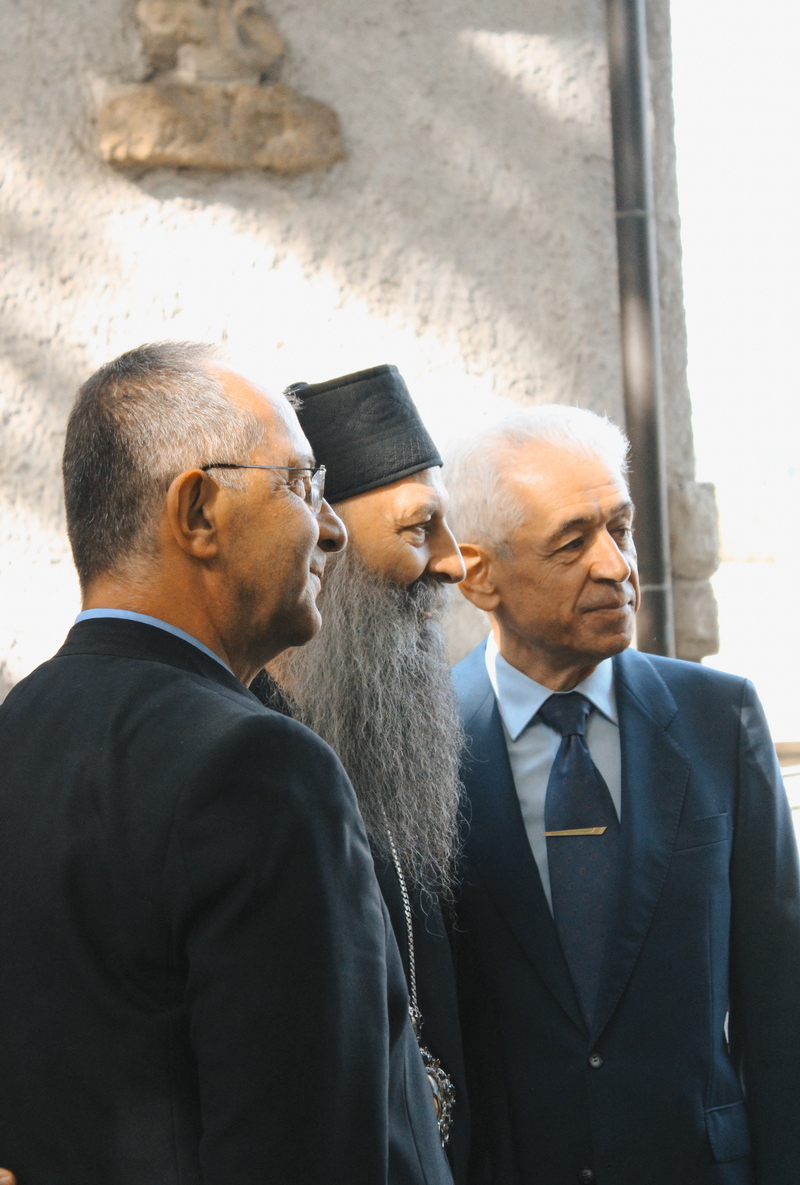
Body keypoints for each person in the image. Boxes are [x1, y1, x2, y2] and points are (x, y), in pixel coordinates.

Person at [0, 343, 453, 1185]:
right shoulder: (260, 766)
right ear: (199, 511)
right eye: (301, 484)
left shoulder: (19, 727)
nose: (331, 528)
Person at [444, 404, 800, 1185]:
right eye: (573, 542)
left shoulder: (719, 718)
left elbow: (781, 999)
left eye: (622, 528)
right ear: (479, 575)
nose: (615, 566)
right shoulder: (424, 748)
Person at [253, 363, 471, 1182]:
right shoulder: (249, 758)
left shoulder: (397, 744)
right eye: (419, 529)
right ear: (324, 537)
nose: (452, 563)